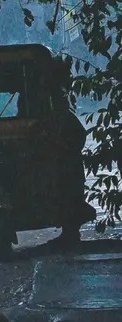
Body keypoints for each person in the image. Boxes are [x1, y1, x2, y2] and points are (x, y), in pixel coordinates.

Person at [51, 57, 97, 246]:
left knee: (69, 193)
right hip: (64, 158)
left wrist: (64, 147)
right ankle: (69, 233)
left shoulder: (58, 102)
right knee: (68, 193)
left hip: (65, 159)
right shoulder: (55, 100)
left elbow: (77, 133)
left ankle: (70, 233)